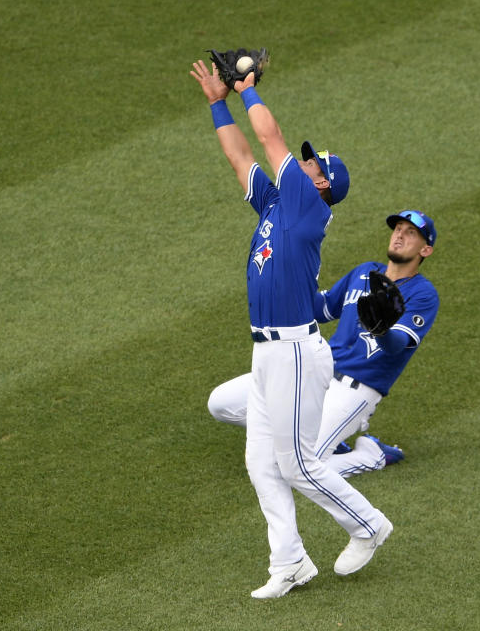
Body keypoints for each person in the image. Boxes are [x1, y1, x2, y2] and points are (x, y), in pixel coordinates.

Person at [190, 58, 392, 599]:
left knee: (298, 462)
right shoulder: (280, 203)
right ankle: (291, 562)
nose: (302, 165)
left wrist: (248, 90)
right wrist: (217, 102)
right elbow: (240, 157)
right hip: (268, 354)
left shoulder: (305, 203)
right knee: (262, 464)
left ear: (322, 184)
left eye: (312, 164)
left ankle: (369, 526)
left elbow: (269, 136)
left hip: (297, 354)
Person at [208, 210, 439, 479]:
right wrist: (292, 278)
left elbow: (396, 346)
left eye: (411, 232)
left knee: (294, 470)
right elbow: (322, 308)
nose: (400, 235)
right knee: (221, 403)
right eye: (398, 228)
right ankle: (315, 437)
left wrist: (381, 329)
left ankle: (371, 454)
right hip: (316, 369)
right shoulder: (366, 272)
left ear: (426, 249)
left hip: (355, 392)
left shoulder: (423, 294)